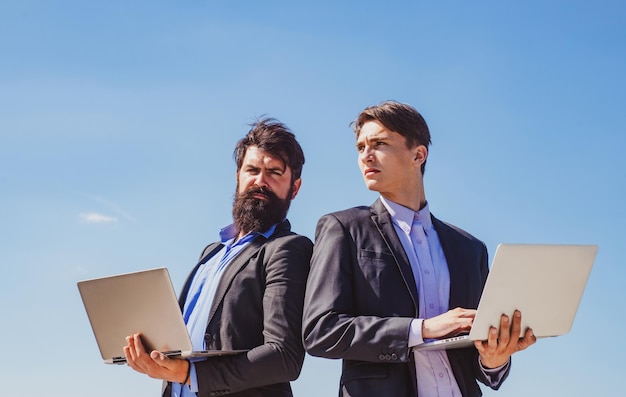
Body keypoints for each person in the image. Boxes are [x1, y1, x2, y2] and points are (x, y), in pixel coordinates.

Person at [302, 101, 536, 397]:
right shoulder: (343, 228)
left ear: (418, 154)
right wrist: (422, 329)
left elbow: (480, 359)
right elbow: (321, 331)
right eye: (361, 147)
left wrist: (495, 358)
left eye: (379, 143)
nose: (366, 156)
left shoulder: (470, 248)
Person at [124, 117, 313, 397]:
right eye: (252, 169)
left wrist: (189, 374)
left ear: (294, 188)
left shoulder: (288, 249)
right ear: (238, 176)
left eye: (274, 172)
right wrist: (153, 355)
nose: (260, 181)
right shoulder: (210, 254)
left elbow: (283, 355)